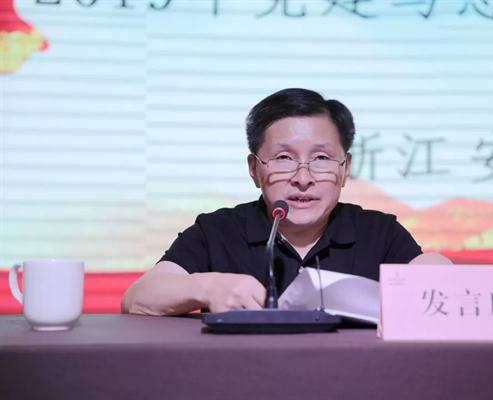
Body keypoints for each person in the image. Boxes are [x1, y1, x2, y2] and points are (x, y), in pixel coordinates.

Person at [122, 88, 451, 316]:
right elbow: (138, 298)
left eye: (321, 158)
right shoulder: (218, 230)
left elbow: (435, 291)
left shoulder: (379, 233)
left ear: (345, 168)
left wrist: (439, 279)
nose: (303, 178)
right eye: (283, 158)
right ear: (254, 169)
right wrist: (207, 287)